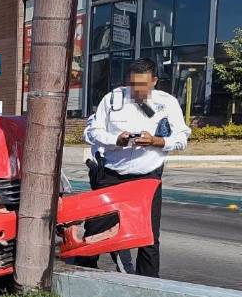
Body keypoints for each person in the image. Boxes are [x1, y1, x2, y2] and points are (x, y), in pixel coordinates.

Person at [78, 58, 190, 278]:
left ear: (154, 81)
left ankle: (148, 285)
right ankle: (82, 275)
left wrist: (156, 141)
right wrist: (115, 139)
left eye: (143, 85)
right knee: (95, 230)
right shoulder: (112, 100)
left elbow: (182, 138)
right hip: (112, 175)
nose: (137, 90)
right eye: (133, 84)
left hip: (147, 177)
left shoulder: (167, 103)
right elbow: (91, 132)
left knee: (147, 236)